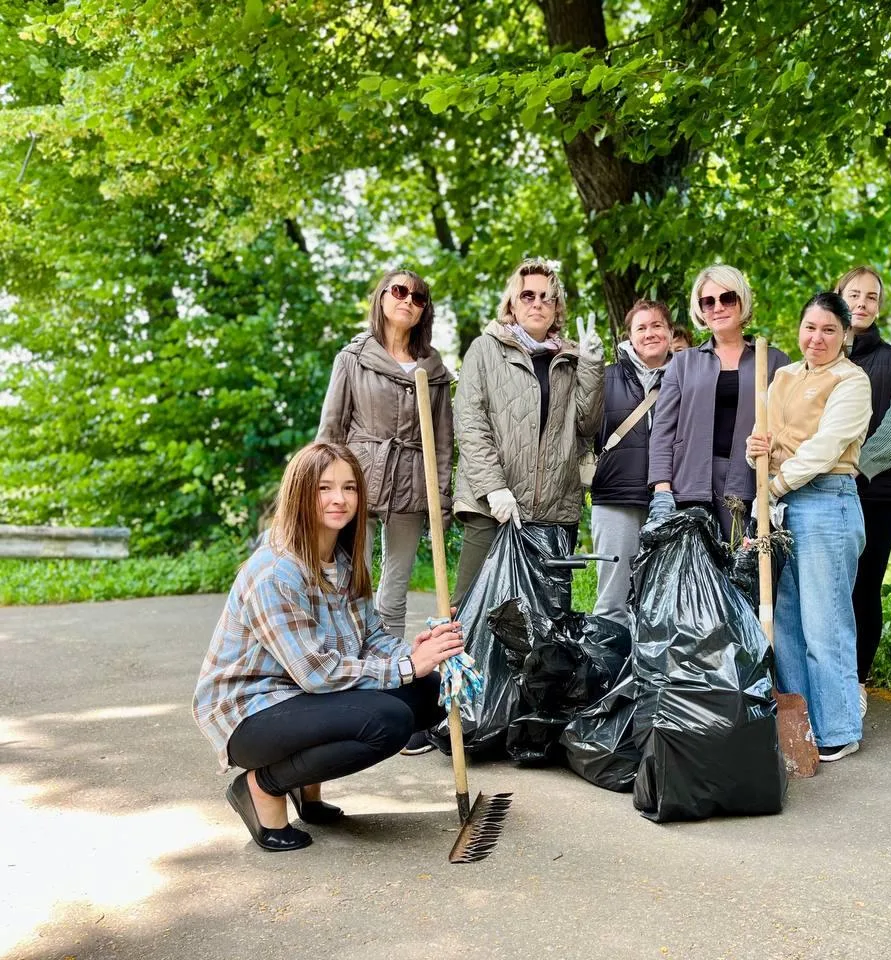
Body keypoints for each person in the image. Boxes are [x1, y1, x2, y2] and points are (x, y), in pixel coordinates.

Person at [193, 442, 466, 852]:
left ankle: (303, 785)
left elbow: (370, 637)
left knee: (427, 695)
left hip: (300, 696)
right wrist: (408, 666)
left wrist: (416, 652)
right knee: (387, 720)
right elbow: (316, 673)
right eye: (324, 488)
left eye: (350, 487)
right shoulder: (276, 572)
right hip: (251, 712)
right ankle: (261, 786)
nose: (339, 499)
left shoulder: (343, 560)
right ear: (300, 493)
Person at [746, 292, 872, 761]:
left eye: (828, 330)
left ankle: (840, 727)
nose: (816, 338)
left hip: (826, 502)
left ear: (845, 336)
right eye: (810, 327)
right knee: (790, 622)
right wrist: (755, 450)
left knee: (826, 622)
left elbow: (824, 448)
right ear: (799, 329)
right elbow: (767, 444)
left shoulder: (851, 381)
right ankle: (804, 725)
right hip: (782, 500)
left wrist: (774, 487)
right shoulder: (781, 376)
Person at [315, 267, 453, 644]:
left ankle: (390, 668)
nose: (408, 300)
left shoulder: (435, 370)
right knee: (351, 582)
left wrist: (440, 500)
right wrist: (322, 487)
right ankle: (349, 661)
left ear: (424, 311)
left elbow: (442, 444)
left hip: (411, 485)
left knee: (394, 589)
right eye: (399, 291)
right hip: (357, 482)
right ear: (382, 297)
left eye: (418, 297)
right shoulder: (353, 358)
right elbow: (331, 428)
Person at [452, 257, 604, 598]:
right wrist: (494, 488)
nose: (537, 303)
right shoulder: (485, 349)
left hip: (553, 510)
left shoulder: (570, 358)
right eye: (528, 295)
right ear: (512, 303)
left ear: (557, 307)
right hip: (491, 506)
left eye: (546, 297)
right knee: (473, 606)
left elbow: (587, 424)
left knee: (544, 619)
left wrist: (592, 366)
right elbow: (470, 422)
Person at [648, 265, 789, 542]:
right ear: (700, 309)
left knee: (745, 575)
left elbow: (790, 428)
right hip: (691, 485)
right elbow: (662, 432)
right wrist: (662, 490)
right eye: (708, 301)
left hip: (751, 483)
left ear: (742, 301)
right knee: (697, 580)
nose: (718, 307)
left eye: (727, 298)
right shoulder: (683, 363)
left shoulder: (774, 361)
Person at [836, 266, 891, 719]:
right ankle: (828, 679)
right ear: (838, 297)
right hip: (824, 491)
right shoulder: (821, 355)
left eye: (871, 297)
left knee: (864, 587)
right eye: (853, 295)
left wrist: (851, 469)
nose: (862, 303)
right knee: (829, 587)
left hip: (876, 493)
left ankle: (859, 680)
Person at [590, 299, 674, 626]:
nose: (650, 333)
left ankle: (654, 676)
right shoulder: (605, 377)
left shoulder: (688, 377)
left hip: (670, 502)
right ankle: (609, 674)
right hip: (615, 499)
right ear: (629, 337)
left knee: (663, 602)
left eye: (657, 325)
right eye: (641, 328)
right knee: (612, 602)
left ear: (669, 331)